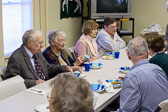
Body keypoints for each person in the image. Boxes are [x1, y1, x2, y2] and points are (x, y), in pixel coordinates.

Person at [4, 29, 73, 88]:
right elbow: (12, 82)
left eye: (42, 42)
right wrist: (34, 83)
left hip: (45, 86)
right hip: (31, 91)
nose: (42, 45)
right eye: (40, 43)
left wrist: (66, 68)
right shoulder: (16, 58)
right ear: (30, 43)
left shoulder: (37, 52)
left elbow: (48, 68)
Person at [117, 37, 168, 112]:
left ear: (128, 54)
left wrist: (130, 81)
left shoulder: (132, 76)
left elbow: (127, 110)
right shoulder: (157, 69)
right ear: (147, 53)